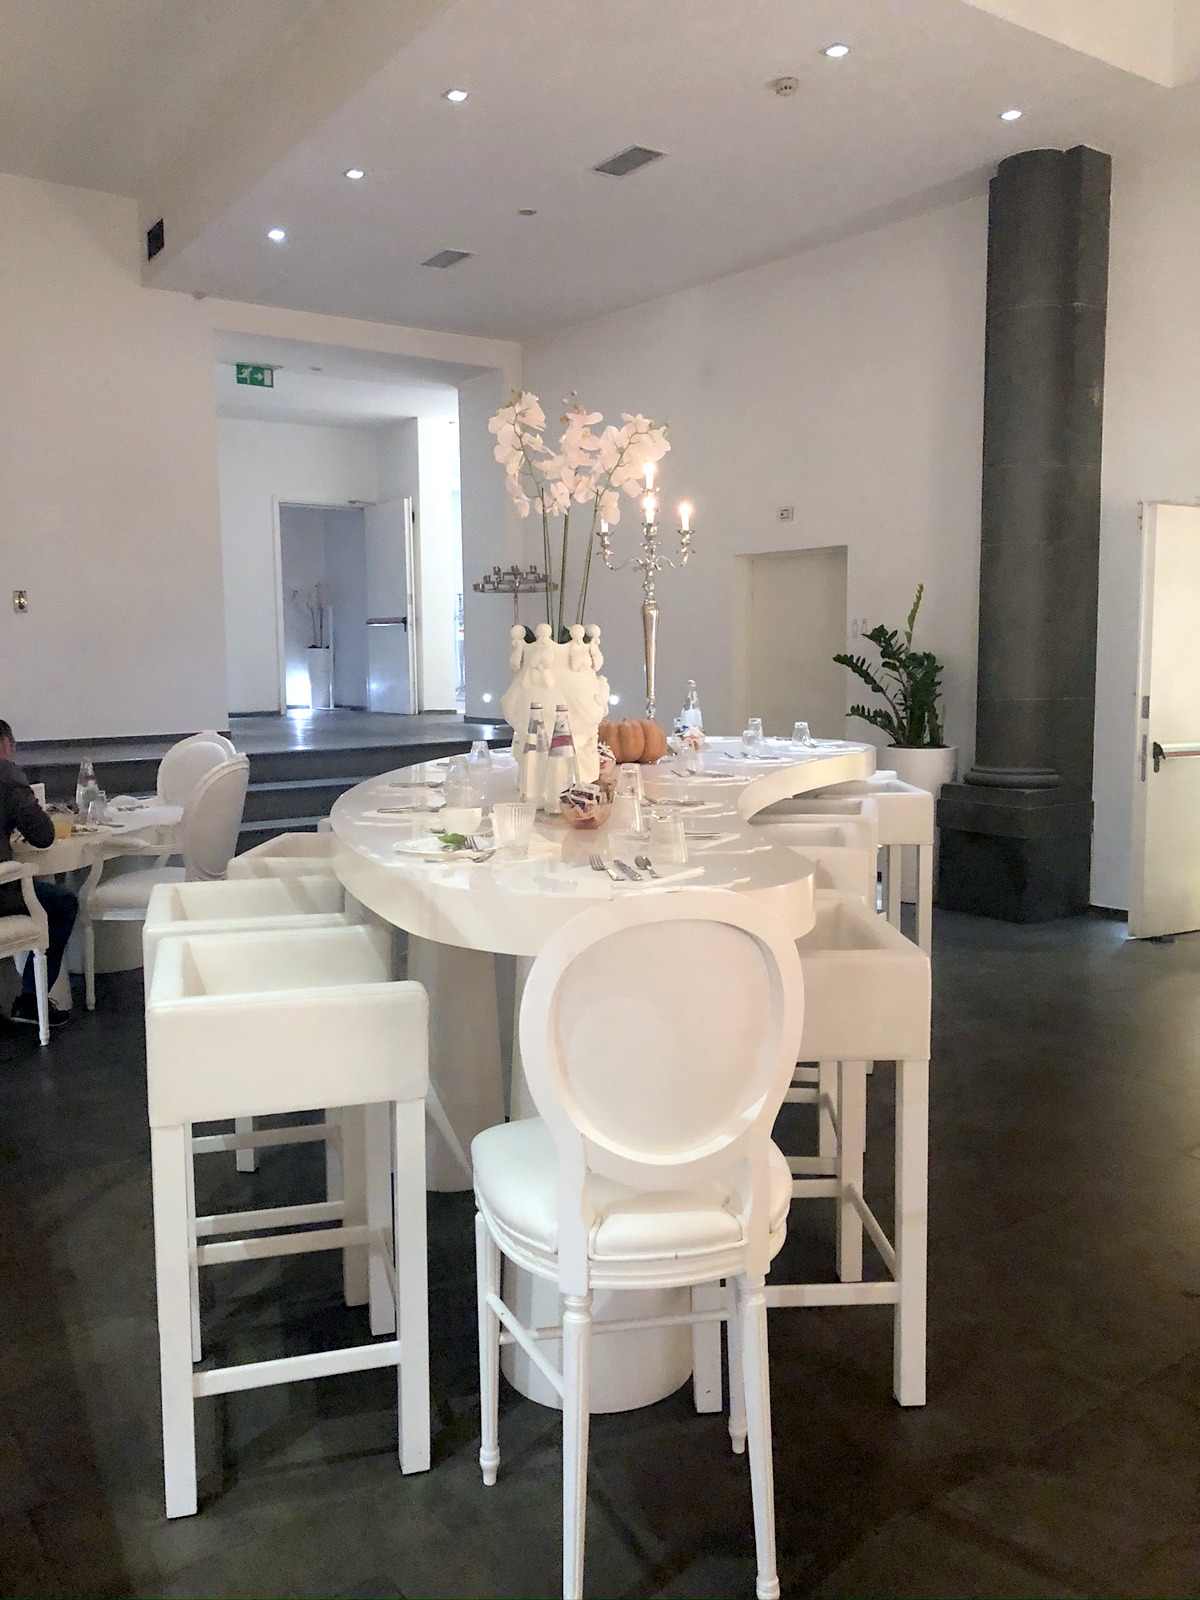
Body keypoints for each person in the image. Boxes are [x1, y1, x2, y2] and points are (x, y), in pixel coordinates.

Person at [0, 719, 77, 1028]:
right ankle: (31, 1001)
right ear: (5, 745)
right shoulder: (6, 775)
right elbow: (43, 835)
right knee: (62, 904)